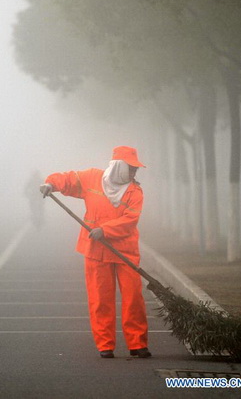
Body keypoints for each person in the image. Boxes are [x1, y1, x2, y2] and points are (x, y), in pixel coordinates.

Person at [40, 145, 151, 359]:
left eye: (135, 169)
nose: (134, 172)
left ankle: (137, 343)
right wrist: (51, 184)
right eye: (131, 168)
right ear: (119, 166)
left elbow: (130, 219)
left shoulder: (135, 191)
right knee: (100, 299)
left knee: (133, 298)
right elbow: (69, 179)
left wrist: (105, 230)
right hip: (95, 251)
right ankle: (105, 345)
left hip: (125, 252)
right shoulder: (92, 178)